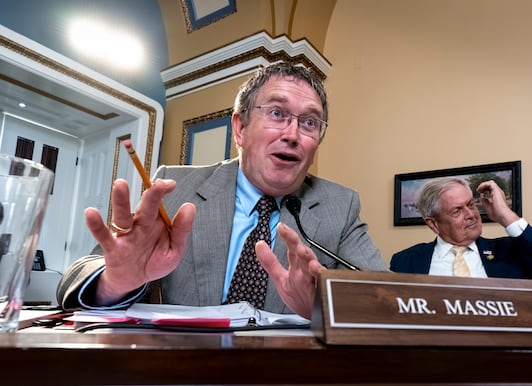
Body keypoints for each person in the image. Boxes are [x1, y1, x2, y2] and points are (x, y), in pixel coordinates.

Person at [56, 61, 387, 319]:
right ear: (240, 128)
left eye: (309, 122)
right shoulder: (173, 187)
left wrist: (320, 305)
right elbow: (77, 277)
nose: (293, 134)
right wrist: (115, 282)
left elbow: (387, 301)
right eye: (277, 113)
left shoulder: (340, 205)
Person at [389, 177, 532, 295]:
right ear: (433, 224)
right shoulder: (406, 261)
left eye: (470, 204)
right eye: (457, 211)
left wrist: (508, 217)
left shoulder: (510, 251)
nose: (471, 214)